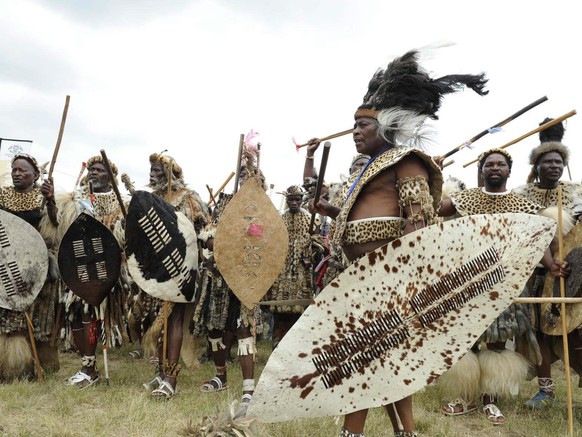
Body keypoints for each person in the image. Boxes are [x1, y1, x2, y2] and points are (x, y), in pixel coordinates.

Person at [312, 46, 488, 436]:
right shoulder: (368, 169)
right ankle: (377, 431)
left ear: (386, 125)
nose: (355, 132)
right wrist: (329, 211)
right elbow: (357, 217)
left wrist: (401, 281)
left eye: (363, 126)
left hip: (388, 283)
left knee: (382, 360)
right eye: (354, 125)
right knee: (368, 360)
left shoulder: (406, 160)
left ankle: (378, 431)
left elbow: (418, 222)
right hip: (357, 280)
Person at [437, 148, 569, 424]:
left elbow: (539, 238)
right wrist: (432, 176)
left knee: (497, 342)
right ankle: (465, 396)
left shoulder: (521, 204)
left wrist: (551, 264)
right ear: (482, 169)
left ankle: (490, 399)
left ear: (509, 170)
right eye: (489, 164)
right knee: (467, 340)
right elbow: (431, 209)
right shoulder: (465, 199)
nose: (495, 168)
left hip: (505, 282)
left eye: (500, 164)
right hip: (468, 281)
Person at [513, 118, 582, 409]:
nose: (553, 166)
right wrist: (548, 261)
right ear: (537, 166)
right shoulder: (523, 194)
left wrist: (570, 262)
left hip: (571, 273)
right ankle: (546, 390)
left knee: (576, 329)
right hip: (536, 273)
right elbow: (520, 232)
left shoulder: (575, 191)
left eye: (558, 161)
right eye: (547, 162)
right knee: (538, 330)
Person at [194, 150, 266, 413]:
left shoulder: (260, 208)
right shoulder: (223, 203)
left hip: (244, 279)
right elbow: (207, 236)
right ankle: (220, 376)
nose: (247, 180)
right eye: (243, 175)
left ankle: (249, 388)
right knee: (215, 331)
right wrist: (218, 240)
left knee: (244, 329)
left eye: (252, 176)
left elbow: (258, 239)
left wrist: (228, 240)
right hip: (217, 280)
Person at [137, 152, 209, 399]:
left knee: (175, 319)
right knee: (159, 323)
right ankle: (160, 372)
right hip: (156, 272)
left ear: (173, 174)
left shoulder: (189, 199)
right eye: (151, 169)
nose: (152, 173)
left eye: (158, 169)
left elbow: (201, 231)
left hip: (181, 271)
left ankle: (171, 378)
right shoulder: (150, 199)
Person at [59, 155, 127, 388]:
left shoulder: (119, 203)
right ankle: (86, 365)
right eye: (91, 169)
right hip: (77, 266)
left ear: (111, 176)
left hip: (103, 268)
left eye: (100, 169)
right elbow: (61, 228)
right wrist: (50, 201)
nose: (94, 173)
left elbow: (122, 237)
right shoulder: (74, 200)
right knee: (76, 315)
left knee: (91, 313)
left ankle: (89, 369)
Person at [0, 153, 60, 381]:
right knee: (10, 314)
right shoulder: (2, 195)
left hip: (37, 265)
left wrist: (52, 200)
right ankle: (9, 366)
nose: (17, 173)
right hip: (8, 263)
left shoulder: (43, 197)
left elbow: (55, 225)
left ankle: (35, 365)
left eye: (22, 170)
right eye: (14, 169)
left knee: (37, 317)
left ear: (35, 175)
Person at [263, 185, 318, 348]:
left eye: (297, 199)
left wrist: (312, 247)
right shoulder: (280, 220)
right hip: (282, 274)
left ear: (302, 200)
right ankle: (277, 344)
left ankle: (297, 347)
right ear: (287, 200)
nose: (294, 203)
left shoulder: (310, 220)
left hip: (302, 273)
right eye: (291, 200)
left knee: (299, 312)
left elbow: (317, 243)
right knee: (280, 313)